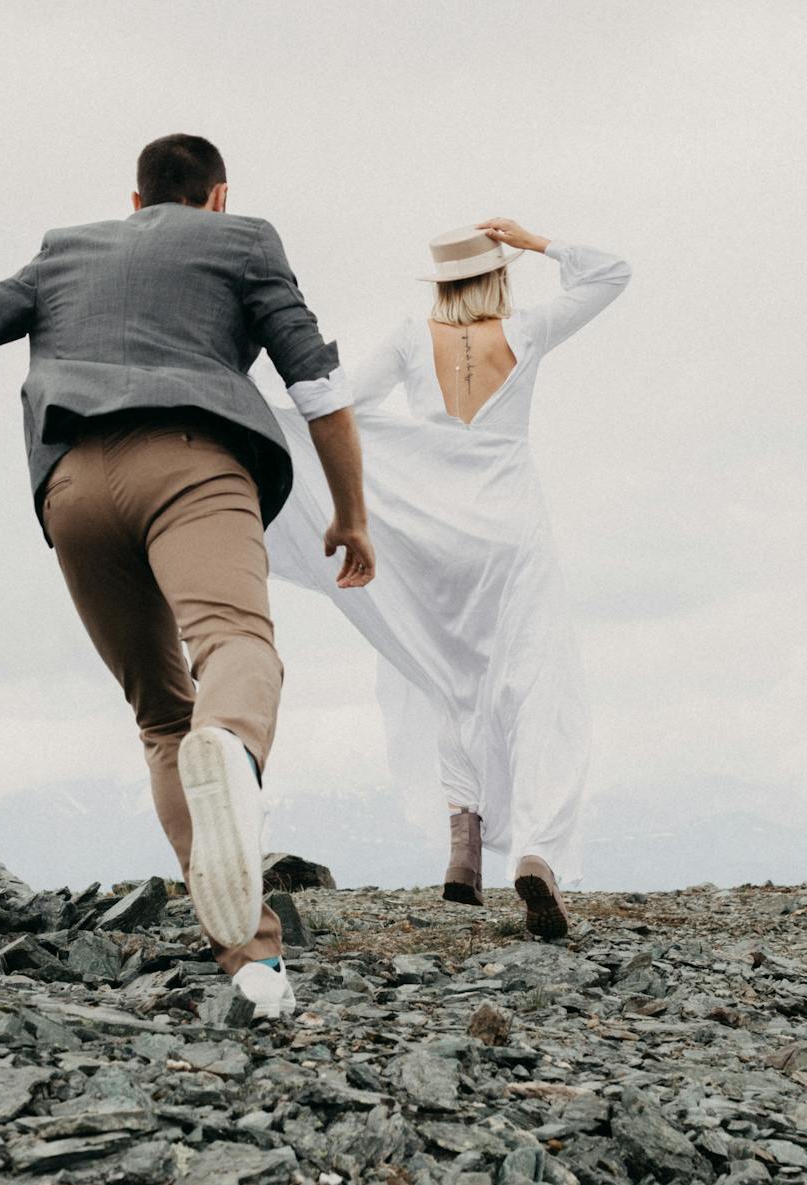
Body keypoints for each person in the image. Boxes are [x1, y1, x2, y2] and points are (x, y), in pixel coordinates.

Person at [0, 133, 375, 1018]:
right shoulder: (242, 239)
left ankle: (253, 966)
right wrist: (351, 514)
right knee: (235, 647)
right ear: (218, 196)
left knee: (162, 715)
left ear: (133, 204)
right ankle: (237, 757)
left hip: (73, 487)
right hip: (192, 459)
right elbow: (316, 381)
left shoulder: (65, 251)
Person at [262, 218, 631, 939]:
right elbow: (612, 273)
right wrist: (538, 243)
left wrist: (257, 412)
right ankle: (535, 849)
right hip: (510, 531)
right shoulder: (525, 332)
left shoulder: (408, 337)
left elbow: (336, 408)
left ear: (440, 284)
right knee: (535, 681)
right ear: (496, 277)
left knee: (441, 673)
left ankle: (464, 850)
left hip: (431, 528)